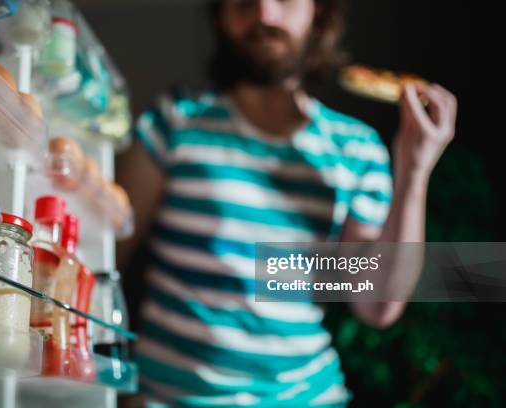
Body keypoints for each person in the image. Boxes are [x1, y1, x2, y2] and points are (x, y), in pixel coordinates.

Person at [117, 0, 457, 406]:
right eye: (244, 2)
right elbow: (104, 255)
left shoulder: (355, 149)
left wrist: (414, 169)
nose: (264, 14)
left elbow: (377, 305)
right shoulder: (173, 122)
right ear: (221, 18)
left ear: (318, 14)